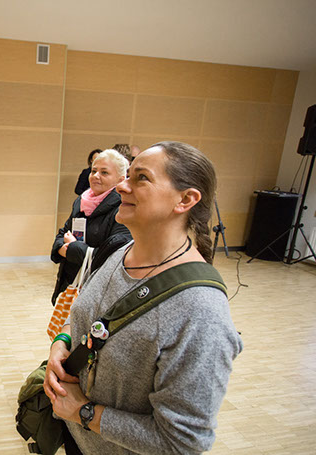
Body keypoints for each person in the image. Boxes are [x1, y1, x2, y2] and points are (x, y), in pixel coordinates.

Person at [44, 142, 243, 454]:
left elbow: (181, 442)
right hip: (76, 438)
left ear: (185, 200)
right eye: (127, 176)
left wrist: (84, 413)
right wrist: (62, 342)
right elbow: (86, 314)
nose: (122, 186)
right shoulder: (120, 252)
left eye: (141, 178)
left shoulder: (201, 312)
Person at [51, 149, 132, 304]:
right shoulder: (81, 201)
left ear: (121, 179)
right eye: (93, 171)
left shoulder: (123, 209)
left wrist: (72, 248)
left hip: (99, 293)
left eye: (104, 172)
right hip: (71, 283)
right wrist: (61, 247)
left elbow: (112, 258)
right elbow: (63, 234)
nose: (95, 176)